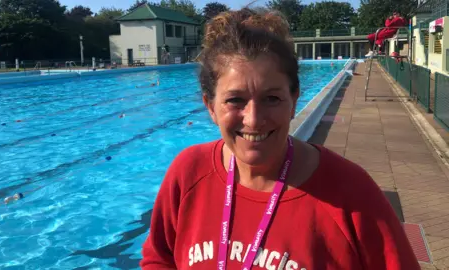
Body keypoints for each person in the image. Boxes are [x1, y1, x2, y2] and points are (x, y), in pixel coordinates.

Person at [141, 8, 420, 270]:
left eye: (272, 98)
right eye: (235, 100)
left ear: (294, 100)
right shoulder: (188, 173)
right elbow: (159, 259)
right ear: (211, 106)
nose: (253, 119)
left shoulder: (352, 193)